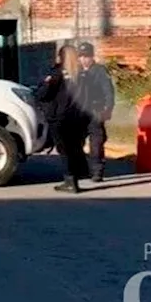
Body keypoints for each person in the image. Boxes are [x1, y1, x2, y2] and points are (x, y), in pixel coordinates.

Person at [34, 44, 88, 193]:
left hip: (60, 117)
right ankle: (76, 179)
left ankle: (70, 181)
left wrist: (44, 84)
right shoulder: (82, 74)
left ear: (60, 57)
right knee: (76, 148)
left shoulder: (56, 74)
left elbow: (42, 94)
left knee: (65, 150)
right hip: (79, 117)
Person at [75, 41, 115, 182]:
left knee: (96, 143)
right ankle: (81, 170)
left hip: (95, 110)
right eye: (81, 56)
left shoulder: (100, 71)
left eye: (87, 56)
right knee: (76, 143)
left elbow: (108, 91)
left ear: (92, 56)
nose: (84, 59)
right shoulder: (76, 71)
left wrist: (108, 109)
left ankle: (97, 171)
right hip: (79, 111)